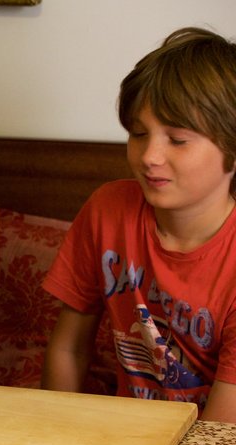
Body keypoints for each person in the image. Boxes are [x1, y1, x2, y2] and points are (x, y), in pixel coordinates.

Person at [40, 28, 236, 424]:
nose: (150, 156)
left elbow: (221, 432)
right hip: (126, 440)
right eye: (138, 134)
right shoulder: (108, 209)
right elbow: (69, 350)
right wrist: (56, 439)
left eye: (177, 140)